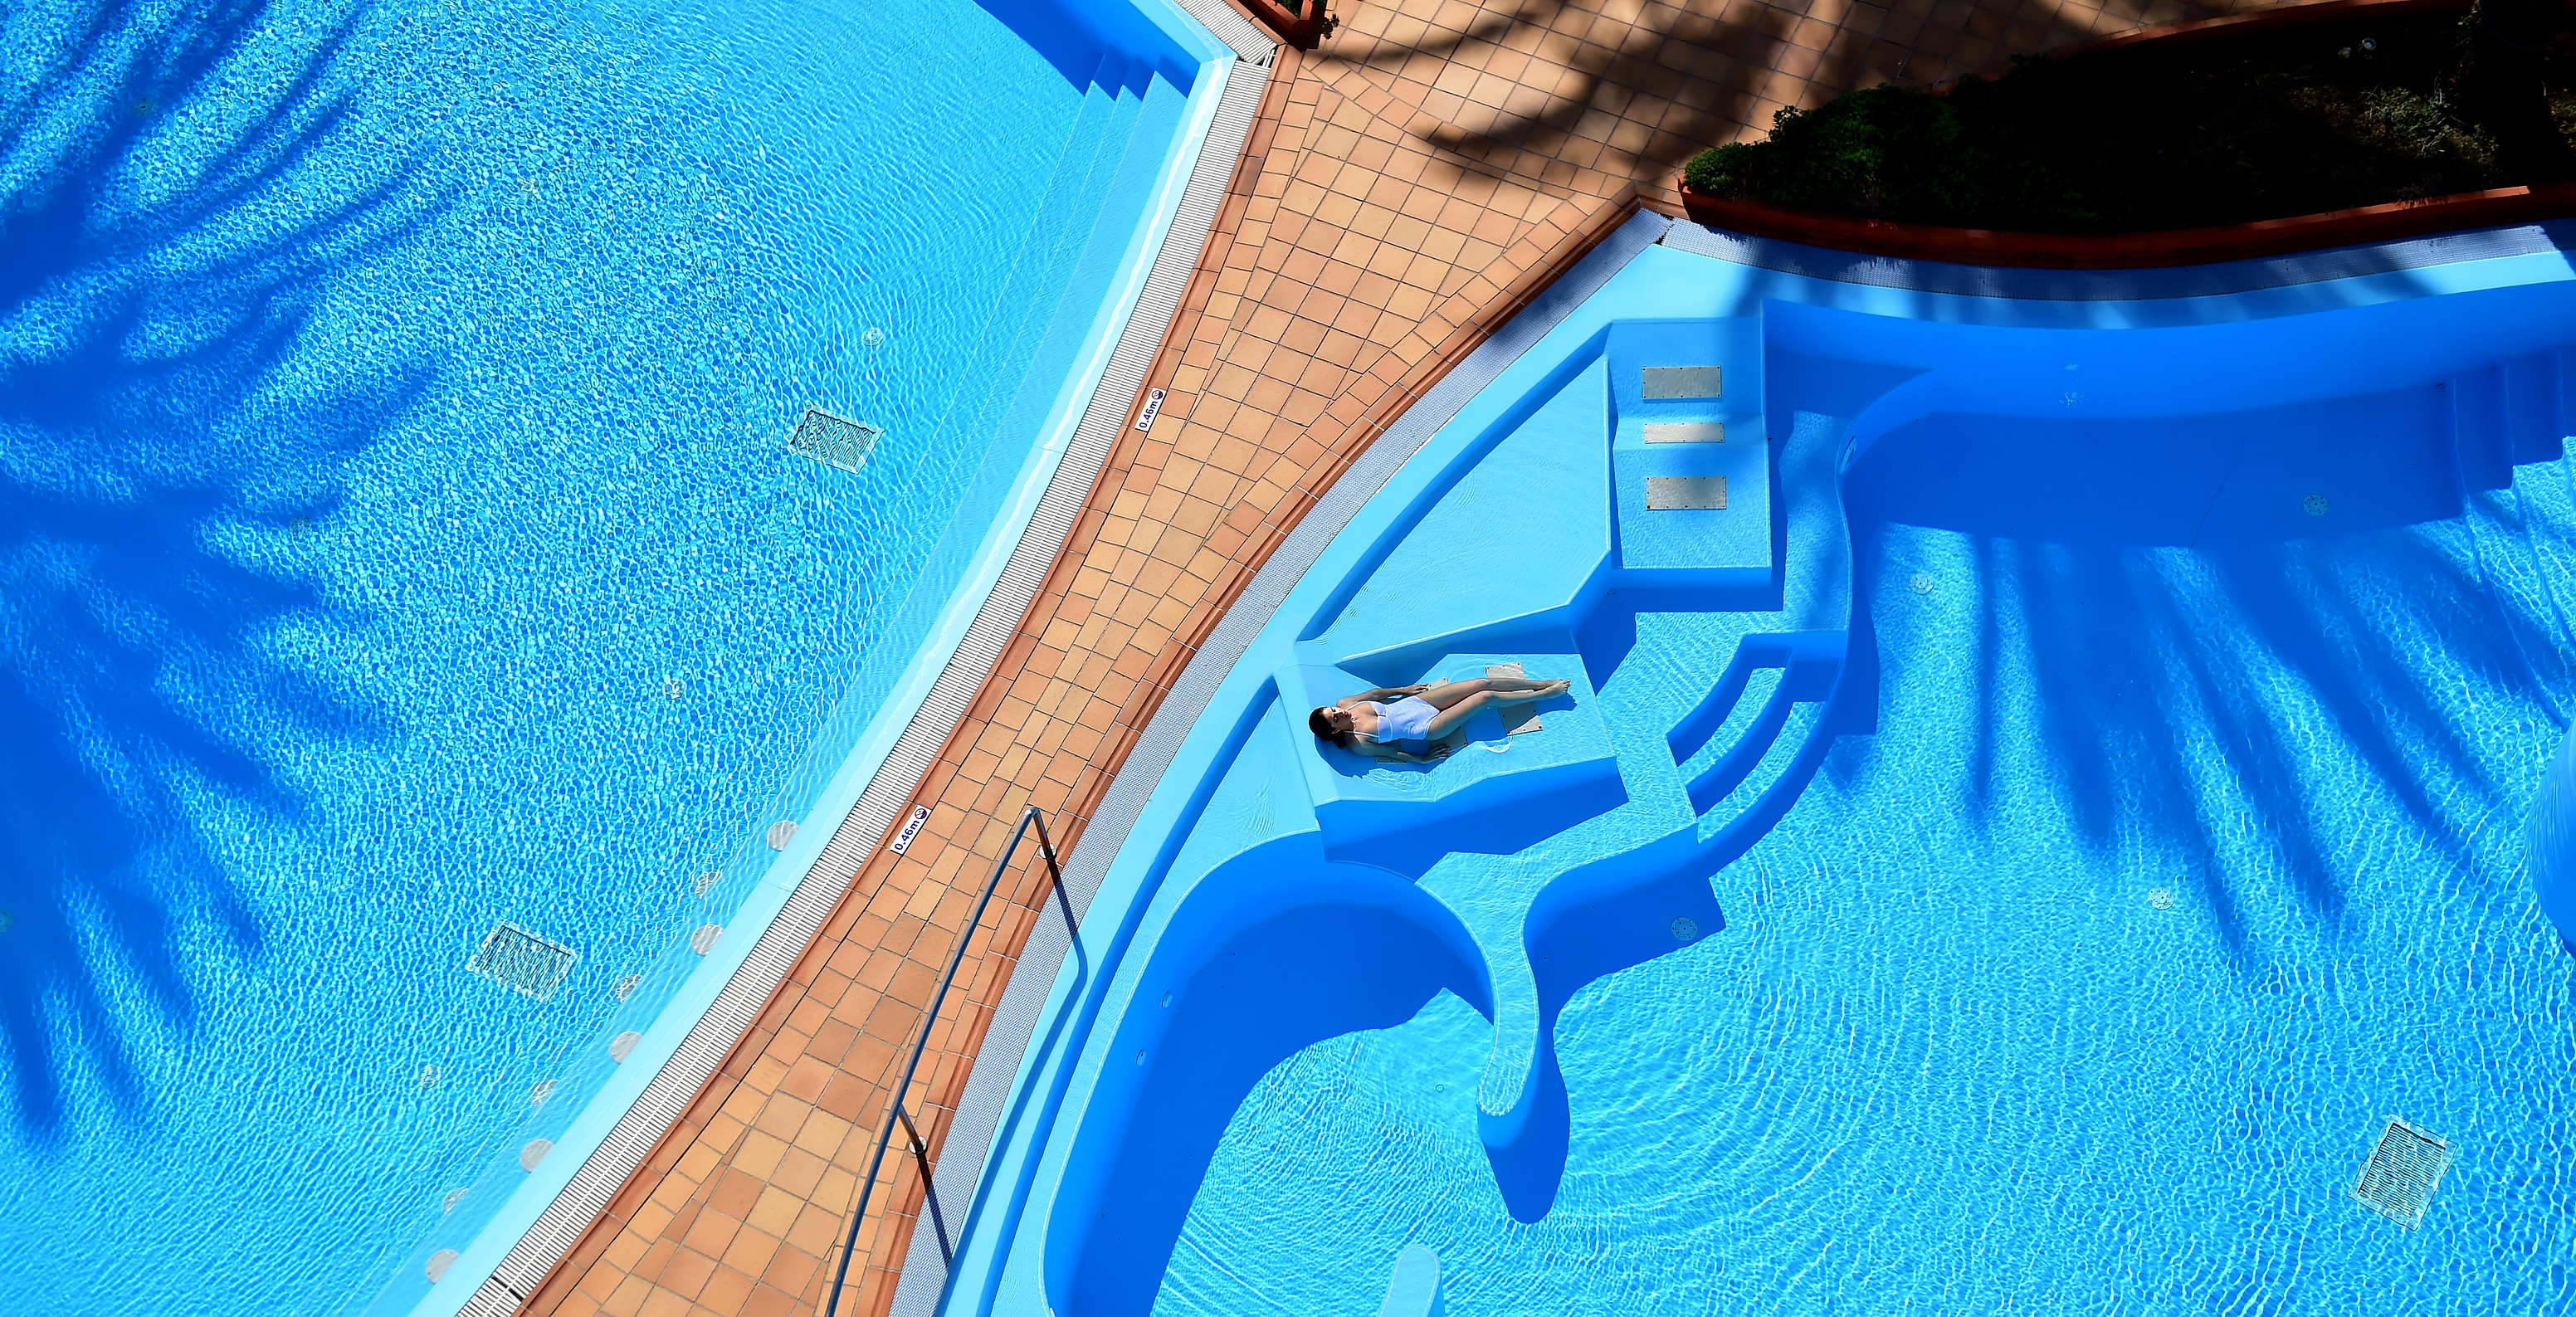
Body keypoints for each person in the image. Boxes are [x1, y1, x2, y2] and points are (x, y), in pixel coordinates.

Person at [1308, 675, 1571, 761]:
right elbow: (1392, 753)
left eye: (1332, 710)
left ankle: (1540, 683)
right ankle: (1546, 696)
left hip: (1417, 703)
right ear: (1334, 732)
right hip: (1428, 728)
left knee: (1482, 682)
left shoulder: (1347, 703)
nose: (1339, 712)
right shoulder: (1358, 742)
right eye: (1334, 719)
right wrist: (1422, 758)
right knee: (1485, 698)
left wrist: (1404, 690)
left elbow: (1377, 693)